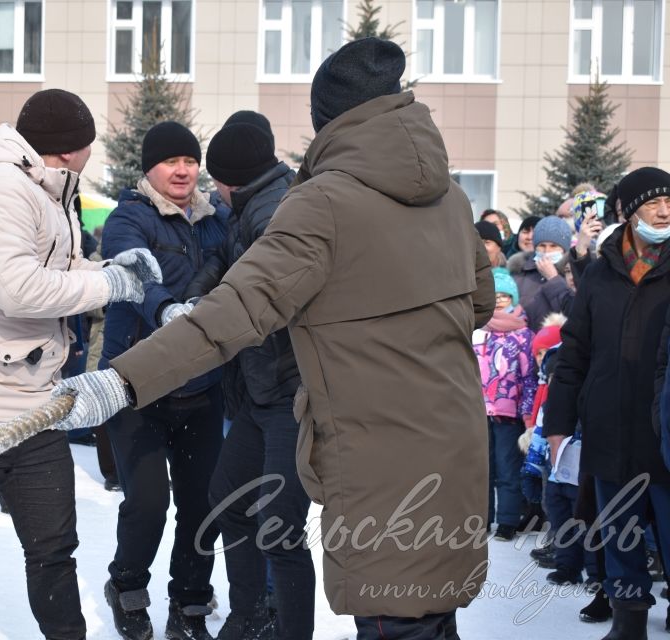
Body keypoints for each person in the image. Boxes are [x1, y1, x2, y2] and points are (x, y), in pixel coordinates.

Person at [55, 38, 495, 640]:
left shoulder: (322, 204)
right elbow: (478, 303)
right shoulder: (450, 198)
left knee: (396, 620)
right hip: (456, 439)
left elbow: (229, 316)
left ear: (328, 122)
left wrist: (121, 381)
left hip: (382, 454)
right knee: (430, 619)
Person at [0, 88, 159, 640]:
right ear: (72, 149)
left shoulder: (50, 189)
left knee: (53, 550)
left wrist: (105, 265)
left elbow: (64, 263)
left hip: (34, 403)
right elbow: (18, 290)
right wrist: (111, 284)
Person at [97, 120, 227, 640]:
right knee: (149, 503)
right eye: (171, 160)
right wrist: (168, 308)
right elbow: (135, 273)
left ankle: (190, 602)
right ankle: (127, 585)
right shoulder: (130, 217)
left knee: (203, 505)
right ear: (148, 167)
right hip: (140, 386)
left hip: (202, 386)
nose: (183, 169)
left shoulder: (215, 221)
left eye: (190, 160)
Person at [185, 120, 313, 640]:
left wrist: (203, 321)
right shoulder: (248, 211)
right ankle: (248, 617)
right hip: (260, 392)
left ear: (228, 180)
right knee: (230, 500)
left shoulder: (275, 213)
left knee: (279, 528)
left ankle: (287, 630)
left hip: (291, 393)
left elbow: (261, 300)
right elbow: (221, 265)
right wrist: (190, 302)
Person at [547, 167, 670, 639]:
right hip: (609, 427)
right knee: (619, 533)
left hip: (665, 428)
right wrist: (558, 423)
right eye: (653, 202)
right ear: (629, 209)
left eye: (669, 203)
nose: (663, 211)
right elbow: (574, 351)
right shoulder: (600, 272)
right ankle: (628, 618)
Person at [474, 268, 536, 541]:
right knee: (481, 468)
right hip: (477, 410)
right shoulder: (478, 331)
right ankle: (482, 518)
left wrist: (527, 413)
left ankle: (508, 520)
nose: (499, 300)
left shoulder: (523, 334)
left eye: (504, 295)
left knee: (507, 468)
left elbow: (529, 376)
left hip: (509, 412)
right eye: (494, 295)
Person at [507, 215, 573, 330]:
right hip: (522, 343)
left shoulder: (572, 275)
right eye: (542, 246)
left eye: (553, 246)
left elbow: (571, 310)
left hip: (557, 344)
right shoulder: (519, 273)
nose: (547, 251)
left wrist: (553, 278)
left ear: (564, 249)